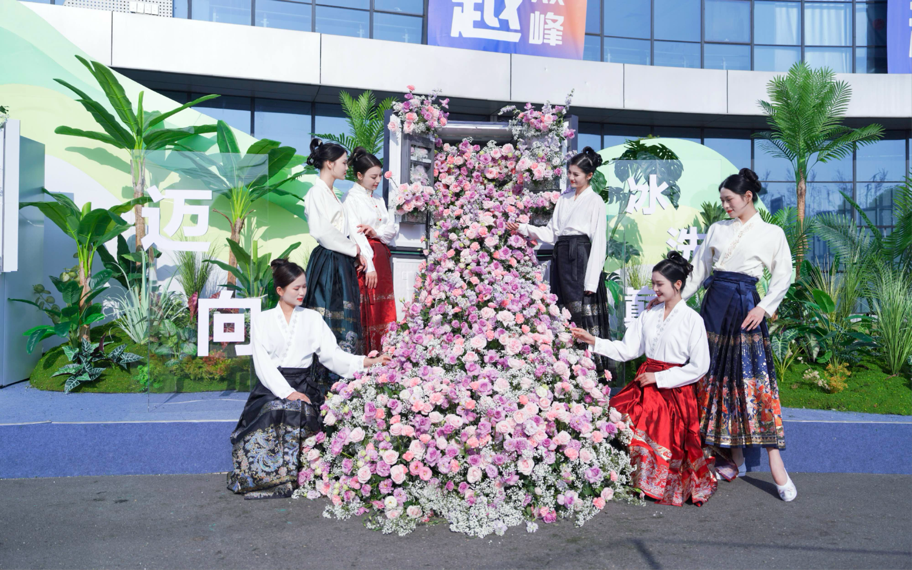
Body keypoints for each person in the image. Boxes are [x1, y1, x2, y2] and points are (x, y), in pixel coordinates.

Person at [669, 167, 796, 501]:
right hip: (714, 306)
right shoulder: (717, 229)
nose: (724, 205)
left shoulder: (772, 233)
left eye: (729, 200)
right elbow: (699, 270)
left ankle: (776, 464)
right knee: (710, 375)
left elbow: (784, 275)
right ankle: (731, 455)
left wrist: (764, 307)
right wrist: (674, 300)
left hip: (745, 308)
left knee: (750, 381)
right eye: (722, 200)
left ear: (747, 197)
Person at [227, 259, 390, 499]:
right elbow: (262, 364)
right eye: (296, 288)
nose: (302, 292)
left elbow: (332, 355)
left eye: (304, 286)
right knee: (277, 408)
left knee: (299, 409)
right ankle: (267, 478)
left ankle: (298, 476)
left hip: (303, 385)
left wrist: (367, 362)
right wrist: (287, 393)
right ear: (280, 290)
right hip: (271, 386)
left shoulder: (312, 319)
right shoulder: (262, 320)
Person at [571, 251, 717, 507]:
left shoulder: (692, 319)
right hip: (646, 381)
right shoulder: (649, 314)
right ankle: (623, 475)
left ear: (678, 284)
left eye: (659, 284)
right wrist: (593, 341)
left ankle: (652, 481)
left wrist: (660, 377)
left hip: (674, 388)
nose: (654, 289)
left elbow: (700, 366)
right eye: (653, 283)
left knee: (651, 413)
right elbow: (628, 350)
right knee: (616, 411)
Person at [506, 146, 613, 380]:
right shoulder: (564, 199)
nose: (571, 178)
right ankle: (565, 369)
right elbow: (552, 233)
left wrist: (591, 282)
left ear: (589, 175)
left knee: (581, 313)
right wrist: (523, 228)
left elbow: (599, 242)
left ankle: (590, 373)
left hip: (581, 256)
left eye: (576, 174)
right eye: (569, 173)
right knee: (561, 311)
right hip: (561, 255)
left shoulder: (595, 201)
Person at [303, 138, 365, 385]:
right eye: (343, 163)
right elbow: (322, 231)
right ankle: (322, 381)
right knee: (326, 314)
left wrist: (354, 253)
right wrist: (353, 249)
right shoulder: (316, 192)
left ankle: (342, 378)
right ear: (329, 164)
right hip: (328, 261)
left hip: (340, 260)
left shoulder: (332, 194)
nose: (346, 167)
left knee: (342, 314)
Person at [343, 147, 400, 354]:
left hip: (381, 257)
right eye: (373, 177)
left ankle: (386, 353)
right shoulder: (351, 199)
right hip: (367, 261)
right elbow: (356, 233)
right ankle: (366, 356)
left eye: (379, 176)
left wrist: (376, 232)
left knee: (383, 308)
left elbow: (391, 229)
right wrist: (370, 266)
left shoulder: (378, 199)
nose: (377, 181)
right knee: (368, 307)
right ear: (359, 175)